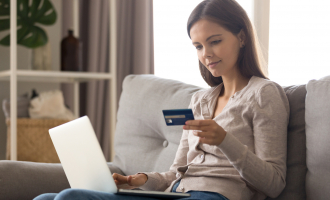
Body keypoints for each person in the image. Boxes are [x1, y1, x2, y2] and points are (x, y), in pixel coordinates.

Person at [34, 0, 289, 199]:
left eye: (215, 42)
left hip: (215, 196)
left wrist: (225, 140)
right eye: (198, 46)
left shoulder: (264, 93)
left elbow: (274, 183)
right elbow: (175, 173)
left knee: (70, 197)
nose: (206, 54)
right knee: (45, 198)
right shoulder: (200, 100)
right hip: (178, 194)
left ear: (242, 37)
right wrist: (141, 180)